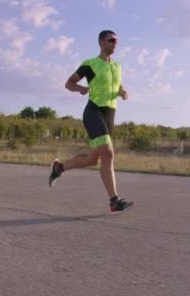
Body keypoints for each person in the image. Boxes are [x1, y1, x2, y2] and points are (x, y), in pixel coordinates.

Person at [48, 30, 133, 213]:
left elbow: (117, 85)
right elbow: (69, 83)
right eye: (112, 40)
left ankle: (59, 167)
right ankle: (114, 201)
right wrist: (80, 88)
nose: (115, 43)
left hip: (110, 114)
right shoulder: (90, 64)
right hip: (94, 111)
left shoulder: (117, 66)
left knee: (93, 159)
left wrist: (122, 92)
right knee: (109, 154)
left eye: (117, 40)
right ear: (102, 42)